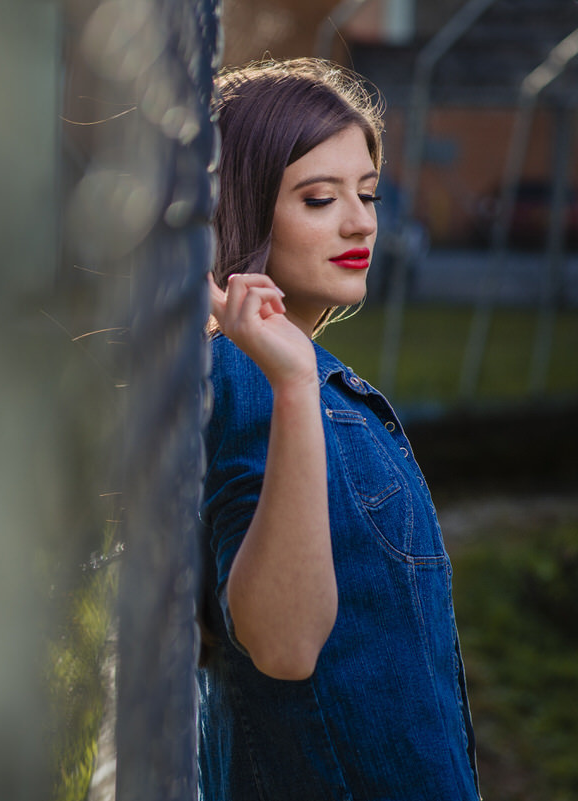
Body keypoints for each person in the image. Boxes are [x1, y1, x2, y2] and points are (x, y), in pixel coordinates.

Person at [198, 59, 481, 800]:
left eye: (367, 193)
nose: (361, 222)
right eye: (320, 198)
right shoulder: (253, 375)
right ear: (245, 208)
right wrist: (290, 382)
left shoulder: (308, 377)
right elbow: (284, 645)